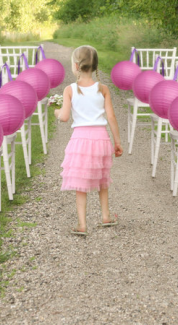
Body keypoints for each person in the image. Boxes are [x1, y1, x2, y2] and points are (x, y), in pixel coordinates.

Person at [54, 45, 123, 236]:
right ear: (95, 66)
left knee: (80, 183)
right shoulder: (103, 89)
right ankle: (105, 216)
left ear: (76, 65)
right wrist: (117, 142)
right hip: (101, 139)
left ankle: (82, 224)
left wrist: (57, 112)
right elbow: (111, 118)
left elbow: (65, 116)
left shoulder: (70, 90)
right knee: (102, 179)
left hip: (81, 140)